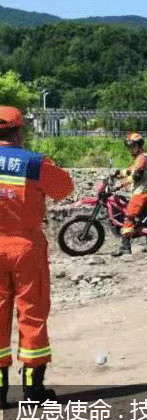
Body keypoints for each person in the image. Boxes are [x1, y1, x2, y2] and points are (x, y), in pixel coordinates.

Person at [0, 106, 73, 404]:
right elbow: (64, 189)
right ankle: (33, 389)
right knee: (32, 314)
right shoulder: (33, 163)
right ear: (19, 132)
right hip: (26, 249)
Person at [111, 132, 147, 257]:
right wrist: (117, 173)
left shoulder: (143, 158)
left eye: (133, 146)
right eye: (129, 146)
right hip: (145, 190)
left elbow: (136, 176)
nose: (130, 149)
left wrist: (120, 184)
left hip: (145, 191)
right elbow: (129, 171)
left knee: (129, 215)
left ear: (139, 146)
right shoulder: (138, 159)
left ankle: (125, 247)